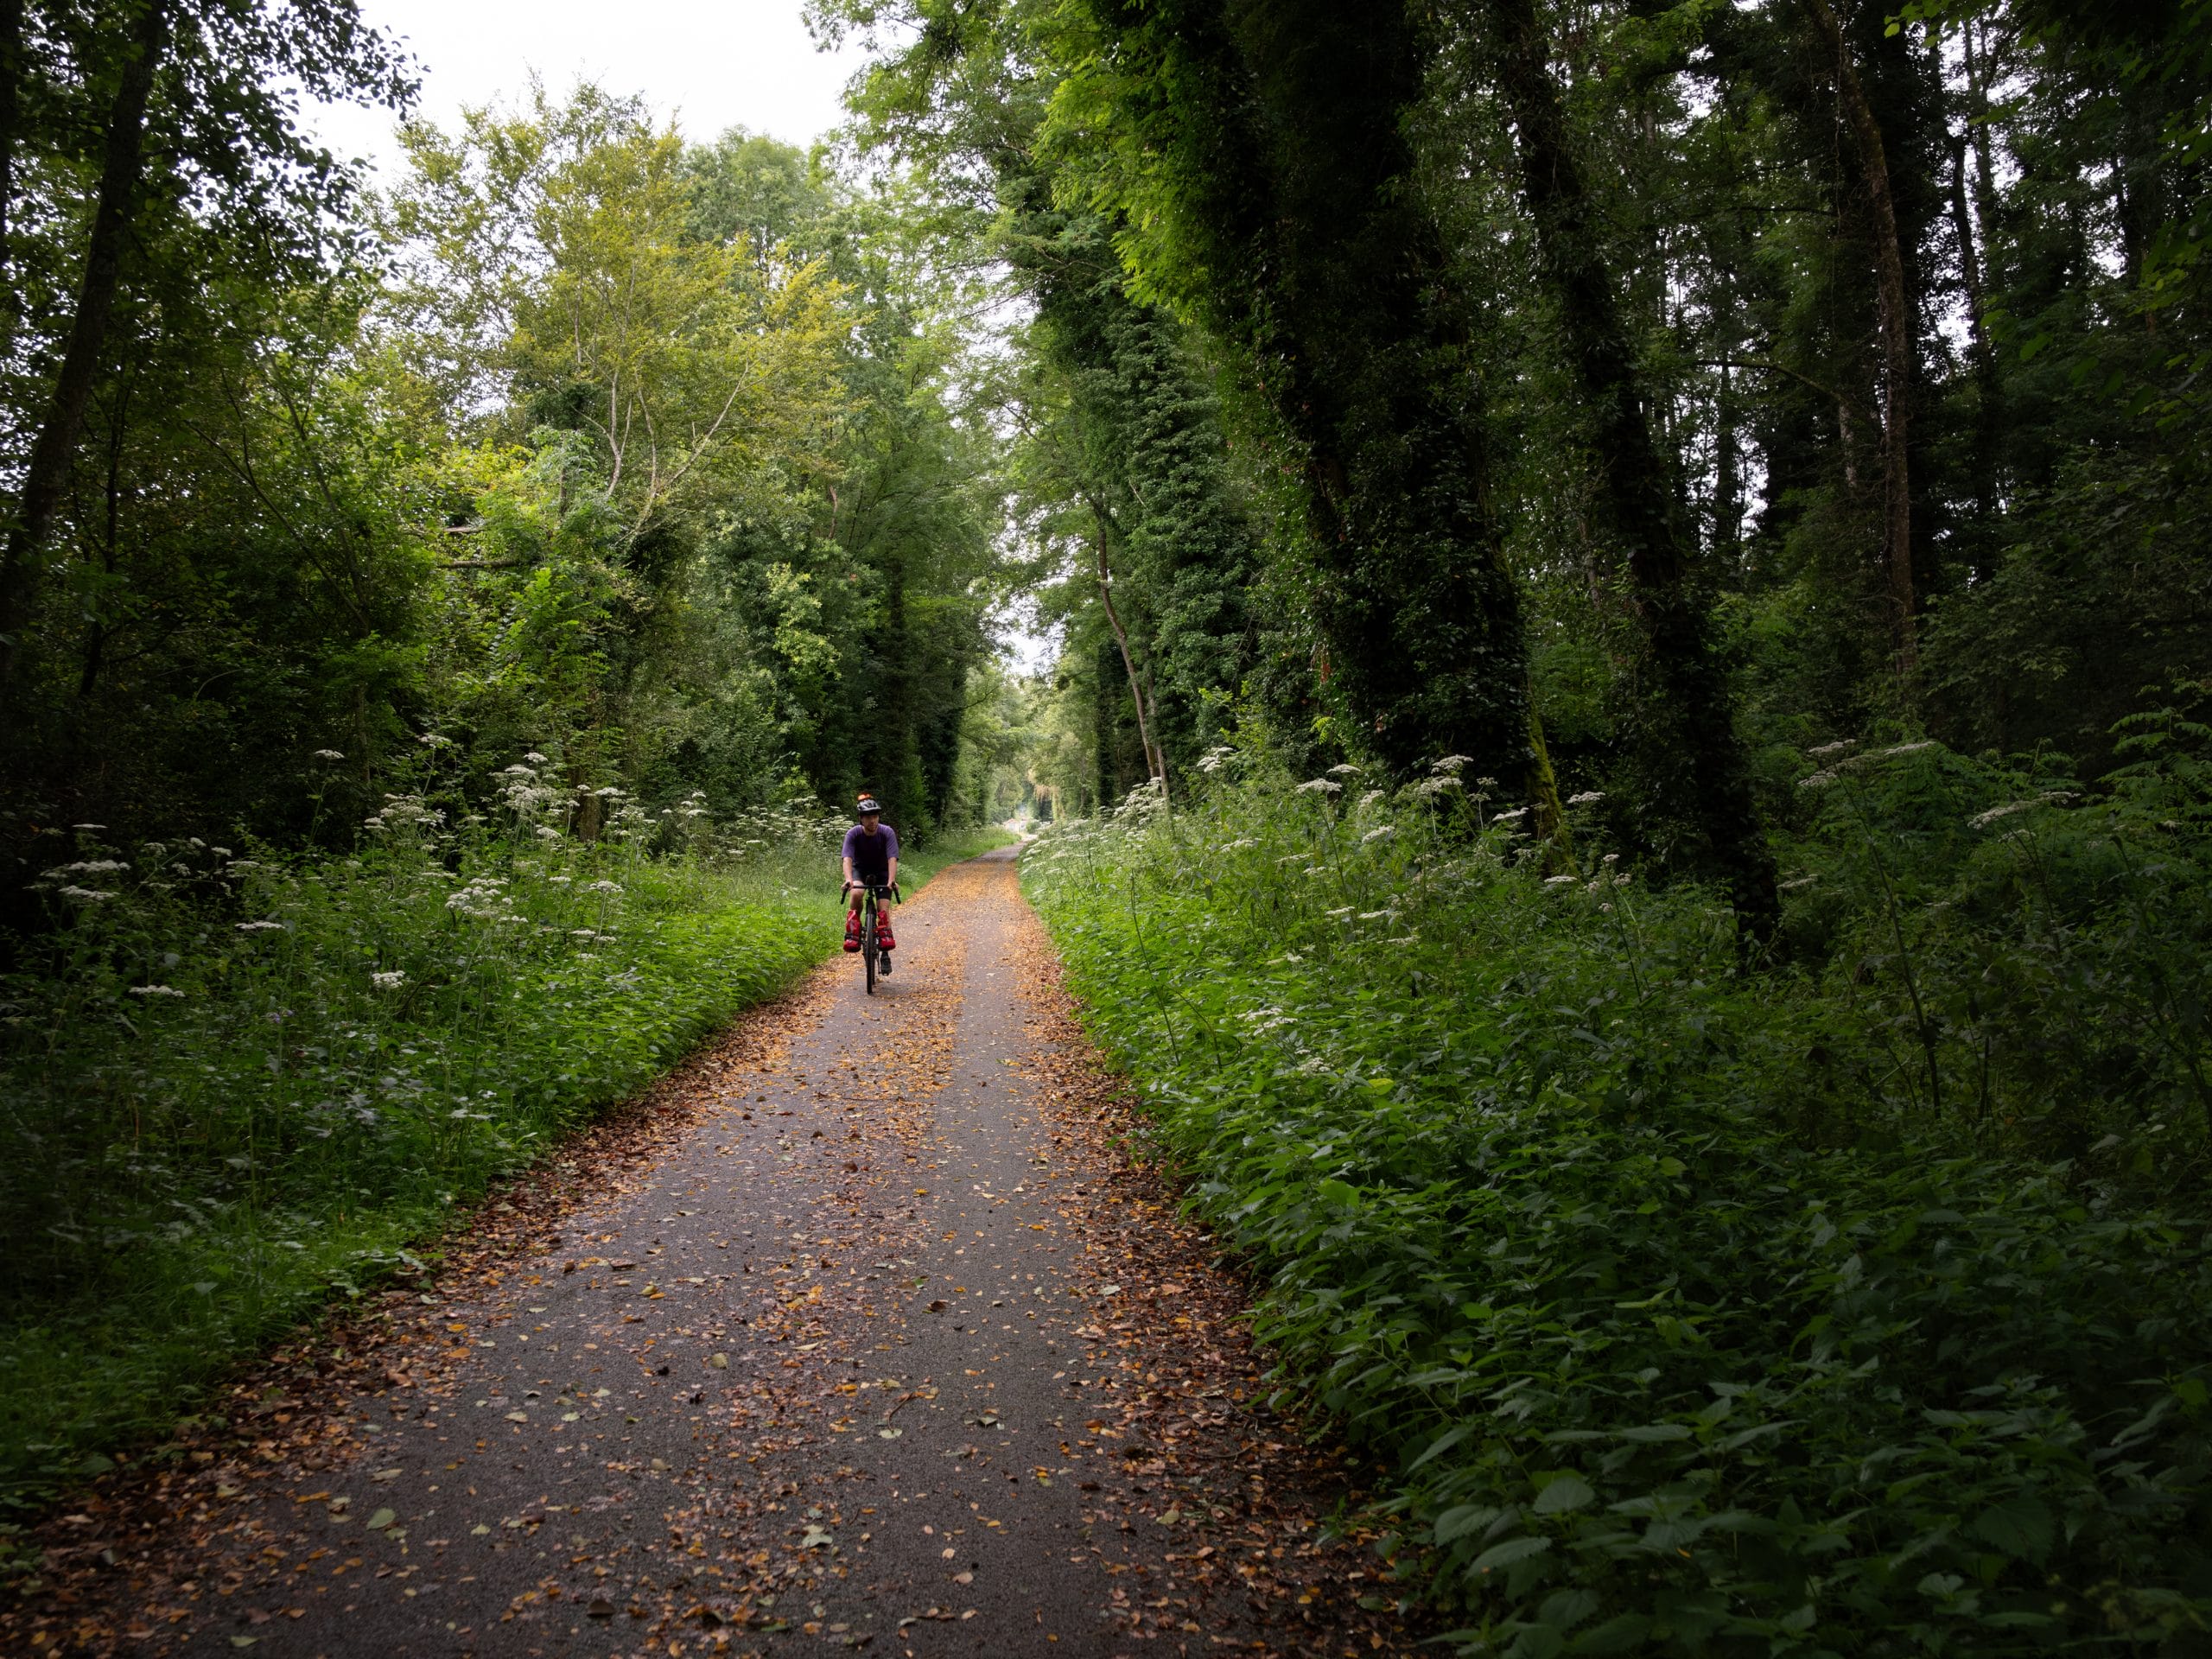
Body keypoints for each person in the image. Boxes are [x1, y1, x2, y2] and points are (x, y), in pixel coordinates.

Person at [842, 795, 899, 966]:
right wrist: (848, 879)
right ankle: (854, 930)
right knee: (857, 892)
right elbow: (847, 858)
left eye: (875, 816)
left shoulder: (887, 832)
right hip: (860, 870)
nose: (872, 821)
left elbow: (892, 859)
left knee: (883, 908)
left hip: (882, 871)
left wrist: (891, 880)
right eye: (868, 817)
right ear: (861, 819)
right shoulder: (853, 834)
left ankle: (885, 954)